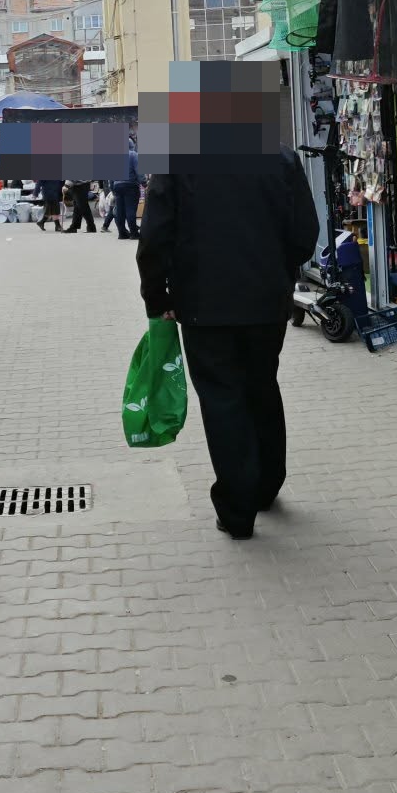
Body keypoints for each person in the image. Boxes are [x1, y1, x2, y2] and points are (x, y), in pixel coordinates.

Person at [137, 149, 319, 538]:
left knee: (223, 398)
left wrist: (157, 295)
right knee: (261, 387)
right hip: (266, 301)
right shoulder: (280, 156)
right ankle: (266, 486)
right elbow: (304, 232)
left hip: (205, 305)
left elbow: (155, 234)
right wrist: (278, 268)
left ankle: (238, 510)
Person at [111, 132, 142, 240]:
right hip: (130, 185)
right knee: (130, 210)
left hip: (117, 186)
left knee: (120, 210)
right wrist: (144, 182)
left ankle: (122, 233)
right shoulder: (133, 155)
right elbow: (139, 171)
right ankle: (133, 233)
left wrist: (112, 188)